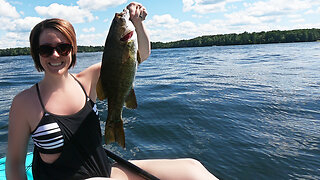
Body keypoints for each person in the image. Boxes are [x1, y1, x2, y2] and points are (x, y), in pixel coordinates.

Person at [6, 2, 218, 180]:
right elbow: (15, 165)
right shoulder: (24, 102)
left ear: (73, 49)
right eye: (46, 49)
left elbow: (140, 56)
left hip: (102, 171)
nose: (55, 55)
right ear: (36, 54)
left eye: (63, 48)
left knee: (193, 169)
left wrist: (137, 24)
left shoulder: (88, 79)